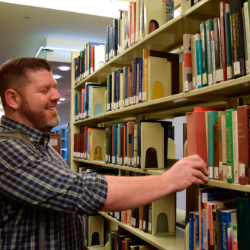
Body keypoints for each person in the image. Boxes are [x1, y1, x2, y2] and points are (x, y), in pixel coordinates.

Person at [0, 57, 209, 249]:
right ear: (13, 99)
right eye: (44, 90)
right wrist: (168, 181)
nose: (56, 96)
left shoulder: (40, 144)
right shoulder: (5, 149)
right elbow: (80, 192)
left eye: (54, 87)